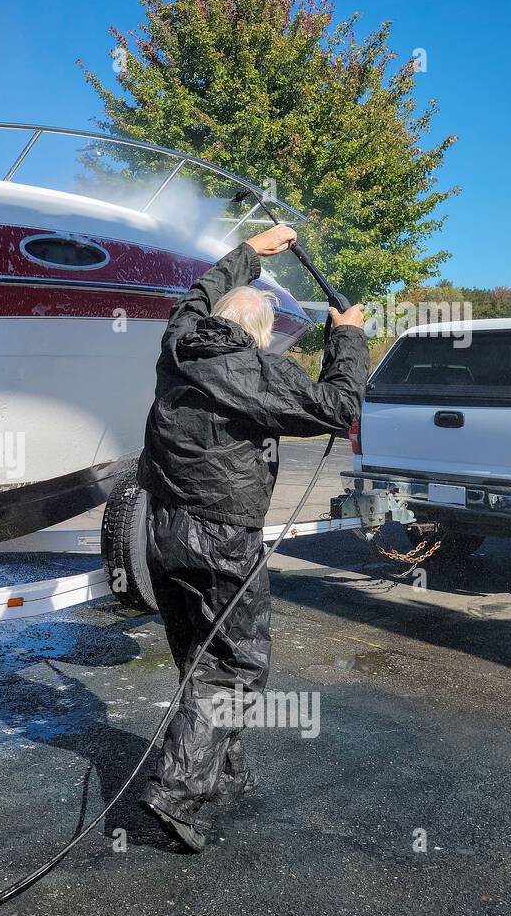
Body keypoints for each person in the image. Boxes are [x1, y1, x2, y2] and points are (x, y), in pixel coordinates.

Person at [136, 224, 368, 852]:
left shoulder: (179, 343)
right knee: (236, 665)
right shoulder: (262, 372)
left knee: (198, 658)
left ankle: (222, 775)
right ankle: (175, 790)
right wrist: (345, 336)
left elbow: (193, 294)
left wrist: (249, 253)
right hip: (222, 537)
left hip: (160, 531)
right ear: (259, 334)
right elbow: (341, 404)